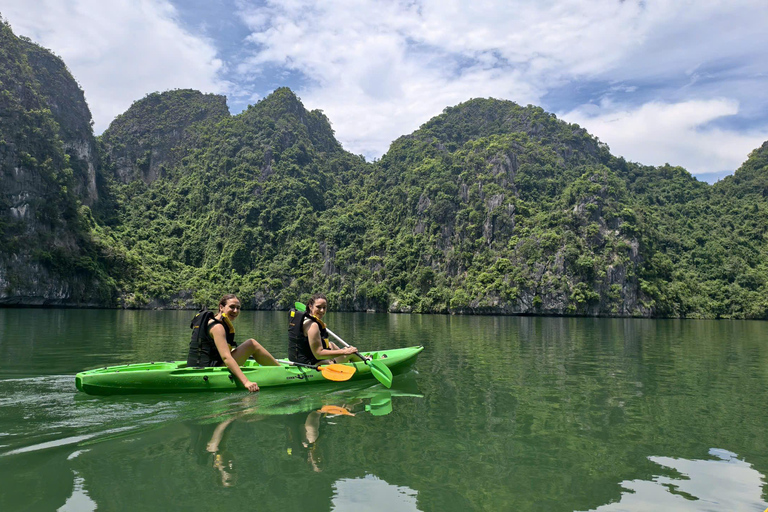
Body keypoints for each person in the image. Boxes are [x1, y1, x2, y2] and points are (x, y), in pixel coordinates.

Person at [187, 294, 279, 392]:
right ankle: (282, 371)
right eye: (232, 307)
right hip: (211, 369)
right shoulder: (218, 327)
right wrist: (246, 382)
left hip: (198, 365)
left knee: (245, 346)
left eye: (238, 308)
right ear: (221, 307)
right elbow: (226, 358)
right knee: (251, 344)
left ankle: (278, 368)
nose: (235, 311)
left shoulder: (211, 321)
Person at [288, 293, 360, 365]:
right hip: (311, 363)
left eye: (324, 307)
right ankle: (363, 362)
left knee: (331, 345)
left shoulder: (304, 319)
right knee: (352, 353)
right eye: (318, 307)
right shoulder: (313, 326)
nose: (322, 310)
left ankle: (347, 360)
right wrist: (345, 352)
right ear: (310, 306)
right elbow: (318, 354)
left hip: (299, 358)